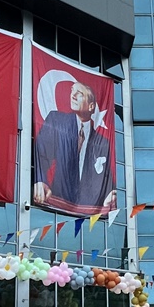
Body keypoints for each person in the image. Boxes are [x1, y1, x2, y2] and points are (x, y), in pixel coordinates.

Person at [33, 80, 116, 214]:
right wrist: (40, 180)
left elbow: (105, 178)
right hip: (53, 203)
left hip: (87, 212)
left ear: (91, 106)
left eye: (79, 93)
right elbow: (40, 154)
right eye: (72, 91)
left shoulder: (102, 142)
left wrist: (109, 195)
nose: (73, 95)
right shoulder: (57, 121)